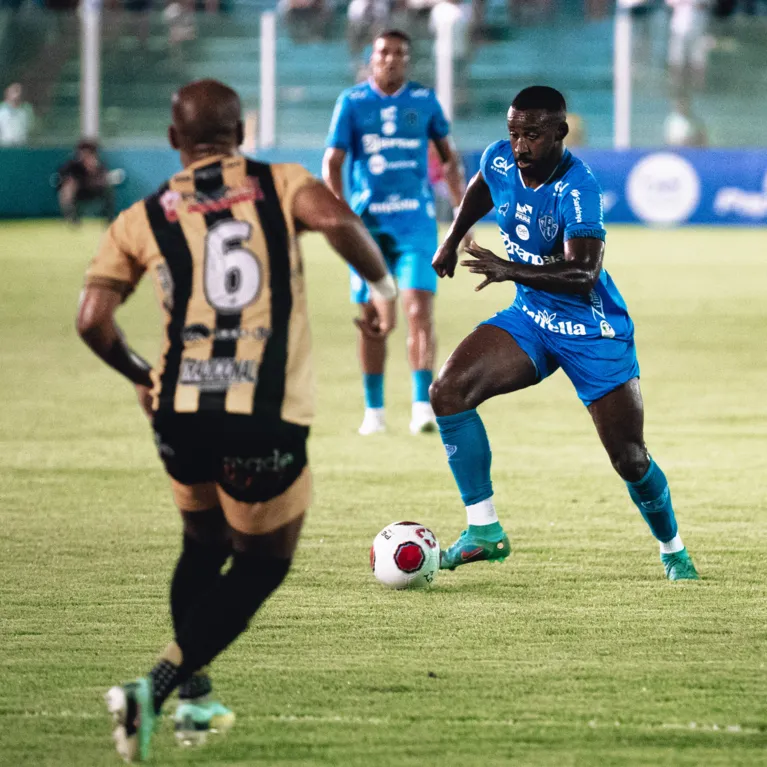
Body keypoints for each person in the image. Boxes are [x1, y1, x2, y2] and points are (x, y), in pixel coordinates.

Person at [76, 78, 396, 762]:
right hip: (262, 415)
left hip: (177, 413)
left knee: (202, 542)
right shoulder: (280, 183)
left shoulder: (140, 216)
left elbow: (91, 320)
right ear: (242, 132)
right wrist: (382, 290)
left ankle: (193, 699)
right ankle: (154, 688)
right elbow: (339, 221)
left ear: (173, 140)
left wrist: (143, 375)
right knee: (260, 563)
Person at [430, 85, 699, 581]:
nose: (519, 145)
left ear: (559, 132)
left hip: (591, 329)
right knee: (447, 392)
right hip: (532, 319)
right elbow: (482, 187)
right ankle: (484, 531)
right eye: (513, 133)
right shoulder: (500, 160)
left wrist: (510, 269)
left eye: (531, 134)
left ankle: (673, 550)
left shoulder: (579, 187)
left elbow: (583, 274)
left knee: (629, 459)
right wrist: (451, 240)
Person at [323, 28, 469, 436]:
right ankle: (375, 411)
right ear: (372, 57)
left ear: (407, 60)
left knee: (419, 310)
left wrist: (460, 212)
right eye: (383, 52)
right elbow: (332, 161)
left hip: (416, 223)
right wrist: (341, 213)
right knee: (373, 317)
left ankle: (423, 406)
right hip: (368, 227)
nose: (390, 59)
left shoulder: (423, 102)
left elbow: (451, 161)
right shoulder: (351, 103)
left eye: (399, 53)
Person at [57, 140, 116, 224]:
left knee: (109, 188)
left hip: (94, 191)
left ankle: (109, 218)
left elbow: (104, 179)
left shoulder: (99, 165)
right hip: (78, 192)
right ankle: (72, 218)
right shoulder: (72, 165)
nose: (85, 155)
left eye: (89, 153)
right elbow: (65, 179)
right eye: (83, 152)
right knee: (66, 190)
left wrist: (93, 172)